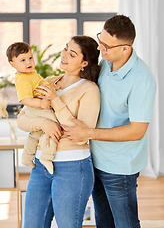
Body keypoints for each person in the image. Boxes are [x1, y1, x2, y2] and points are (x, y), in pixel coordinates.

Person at [62, 15, 157, 228]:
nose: (99, 48)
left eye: (106, 45)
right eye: (100, 39)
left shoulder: (141, 80)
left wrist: (88, 133)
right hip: (95, 159)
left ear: (125, 48)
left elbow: (137, 131)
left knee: (125, 223)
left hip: (120, 166)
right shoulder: (106, 64)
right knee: (104, 222)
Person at [17, 35, 101, 228]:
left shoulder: (89, 90)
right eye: (65, 49)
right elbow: (22, 119)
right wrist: (43, 123)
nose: (64, 55)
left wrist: (55, 100)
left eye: (72, 54)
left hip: (72, 168)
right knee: (32, 224)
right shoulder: (48, 81)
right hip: (40, 166)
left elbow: (80, 135)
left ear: (84, 63)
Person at [6, 42, 60, 174]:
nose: (28, 62)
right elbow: (25, 99)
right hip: (36, 108)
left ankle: (26, 157)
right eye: (22, 60)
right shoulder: (22, 79)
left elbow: (40, 84)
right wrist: (41, 104)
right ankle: (47, 157)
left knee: (35, 134)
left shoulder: (31, 73)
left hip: (38, 107)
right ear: (12, 64)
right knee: (54, 125)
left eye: (30, 58)